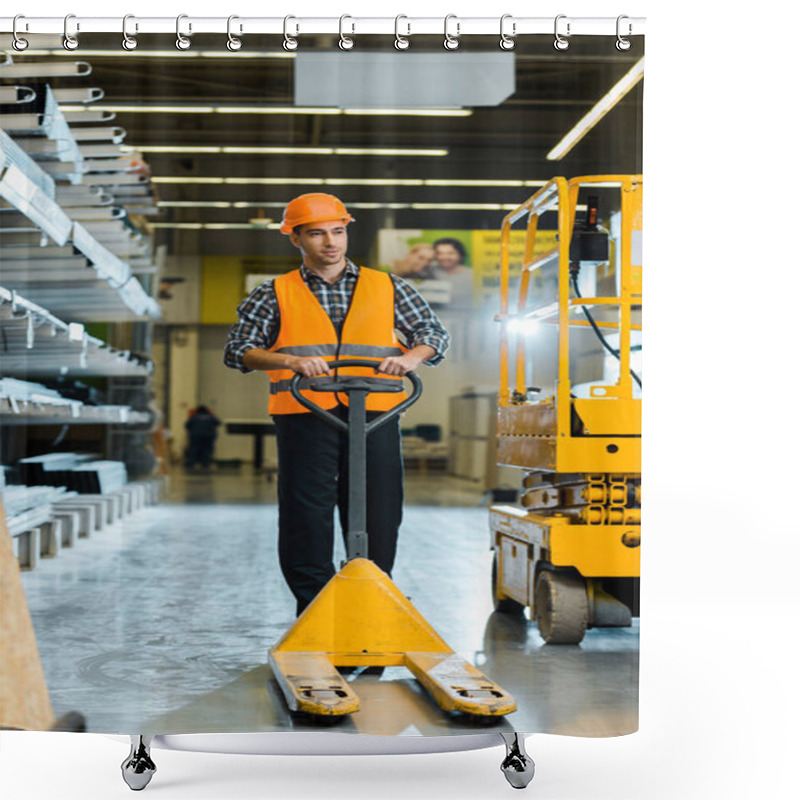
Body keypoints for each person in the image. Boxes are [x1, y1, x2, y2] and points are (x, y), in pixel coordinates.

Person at [223, 193, 450, 616]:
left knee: (379, 511)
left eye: (338, 231)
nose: (331, 242)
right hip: (306, 415)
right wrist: (288, 360)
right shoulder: (273, 293)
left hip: (378, 417)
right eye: (317, 233)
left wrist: (409, 358)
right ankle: (316, 612)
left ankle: (370, 607)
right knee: (305, 515)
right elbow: (239, 350)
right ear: (295, 239)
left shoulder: (389, 286)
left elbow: (433, 335)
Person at [431, 237, 474, 307]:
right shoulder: (429, 271)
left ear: (461, 255)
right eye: (440, 253)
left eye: (450, 253)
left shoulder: (473, 275)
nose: (444, 257)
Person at [184, 405, 221, 469]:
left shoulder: (194, 417)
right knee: (207, 450)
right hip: (208, 436)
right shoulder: (211, 417)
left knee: (193, 449)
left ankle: (191, 464)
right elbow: (218, 423)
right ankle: (205, 464)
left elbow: (186, 425)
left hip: (195, 436)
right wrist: (212, 414)